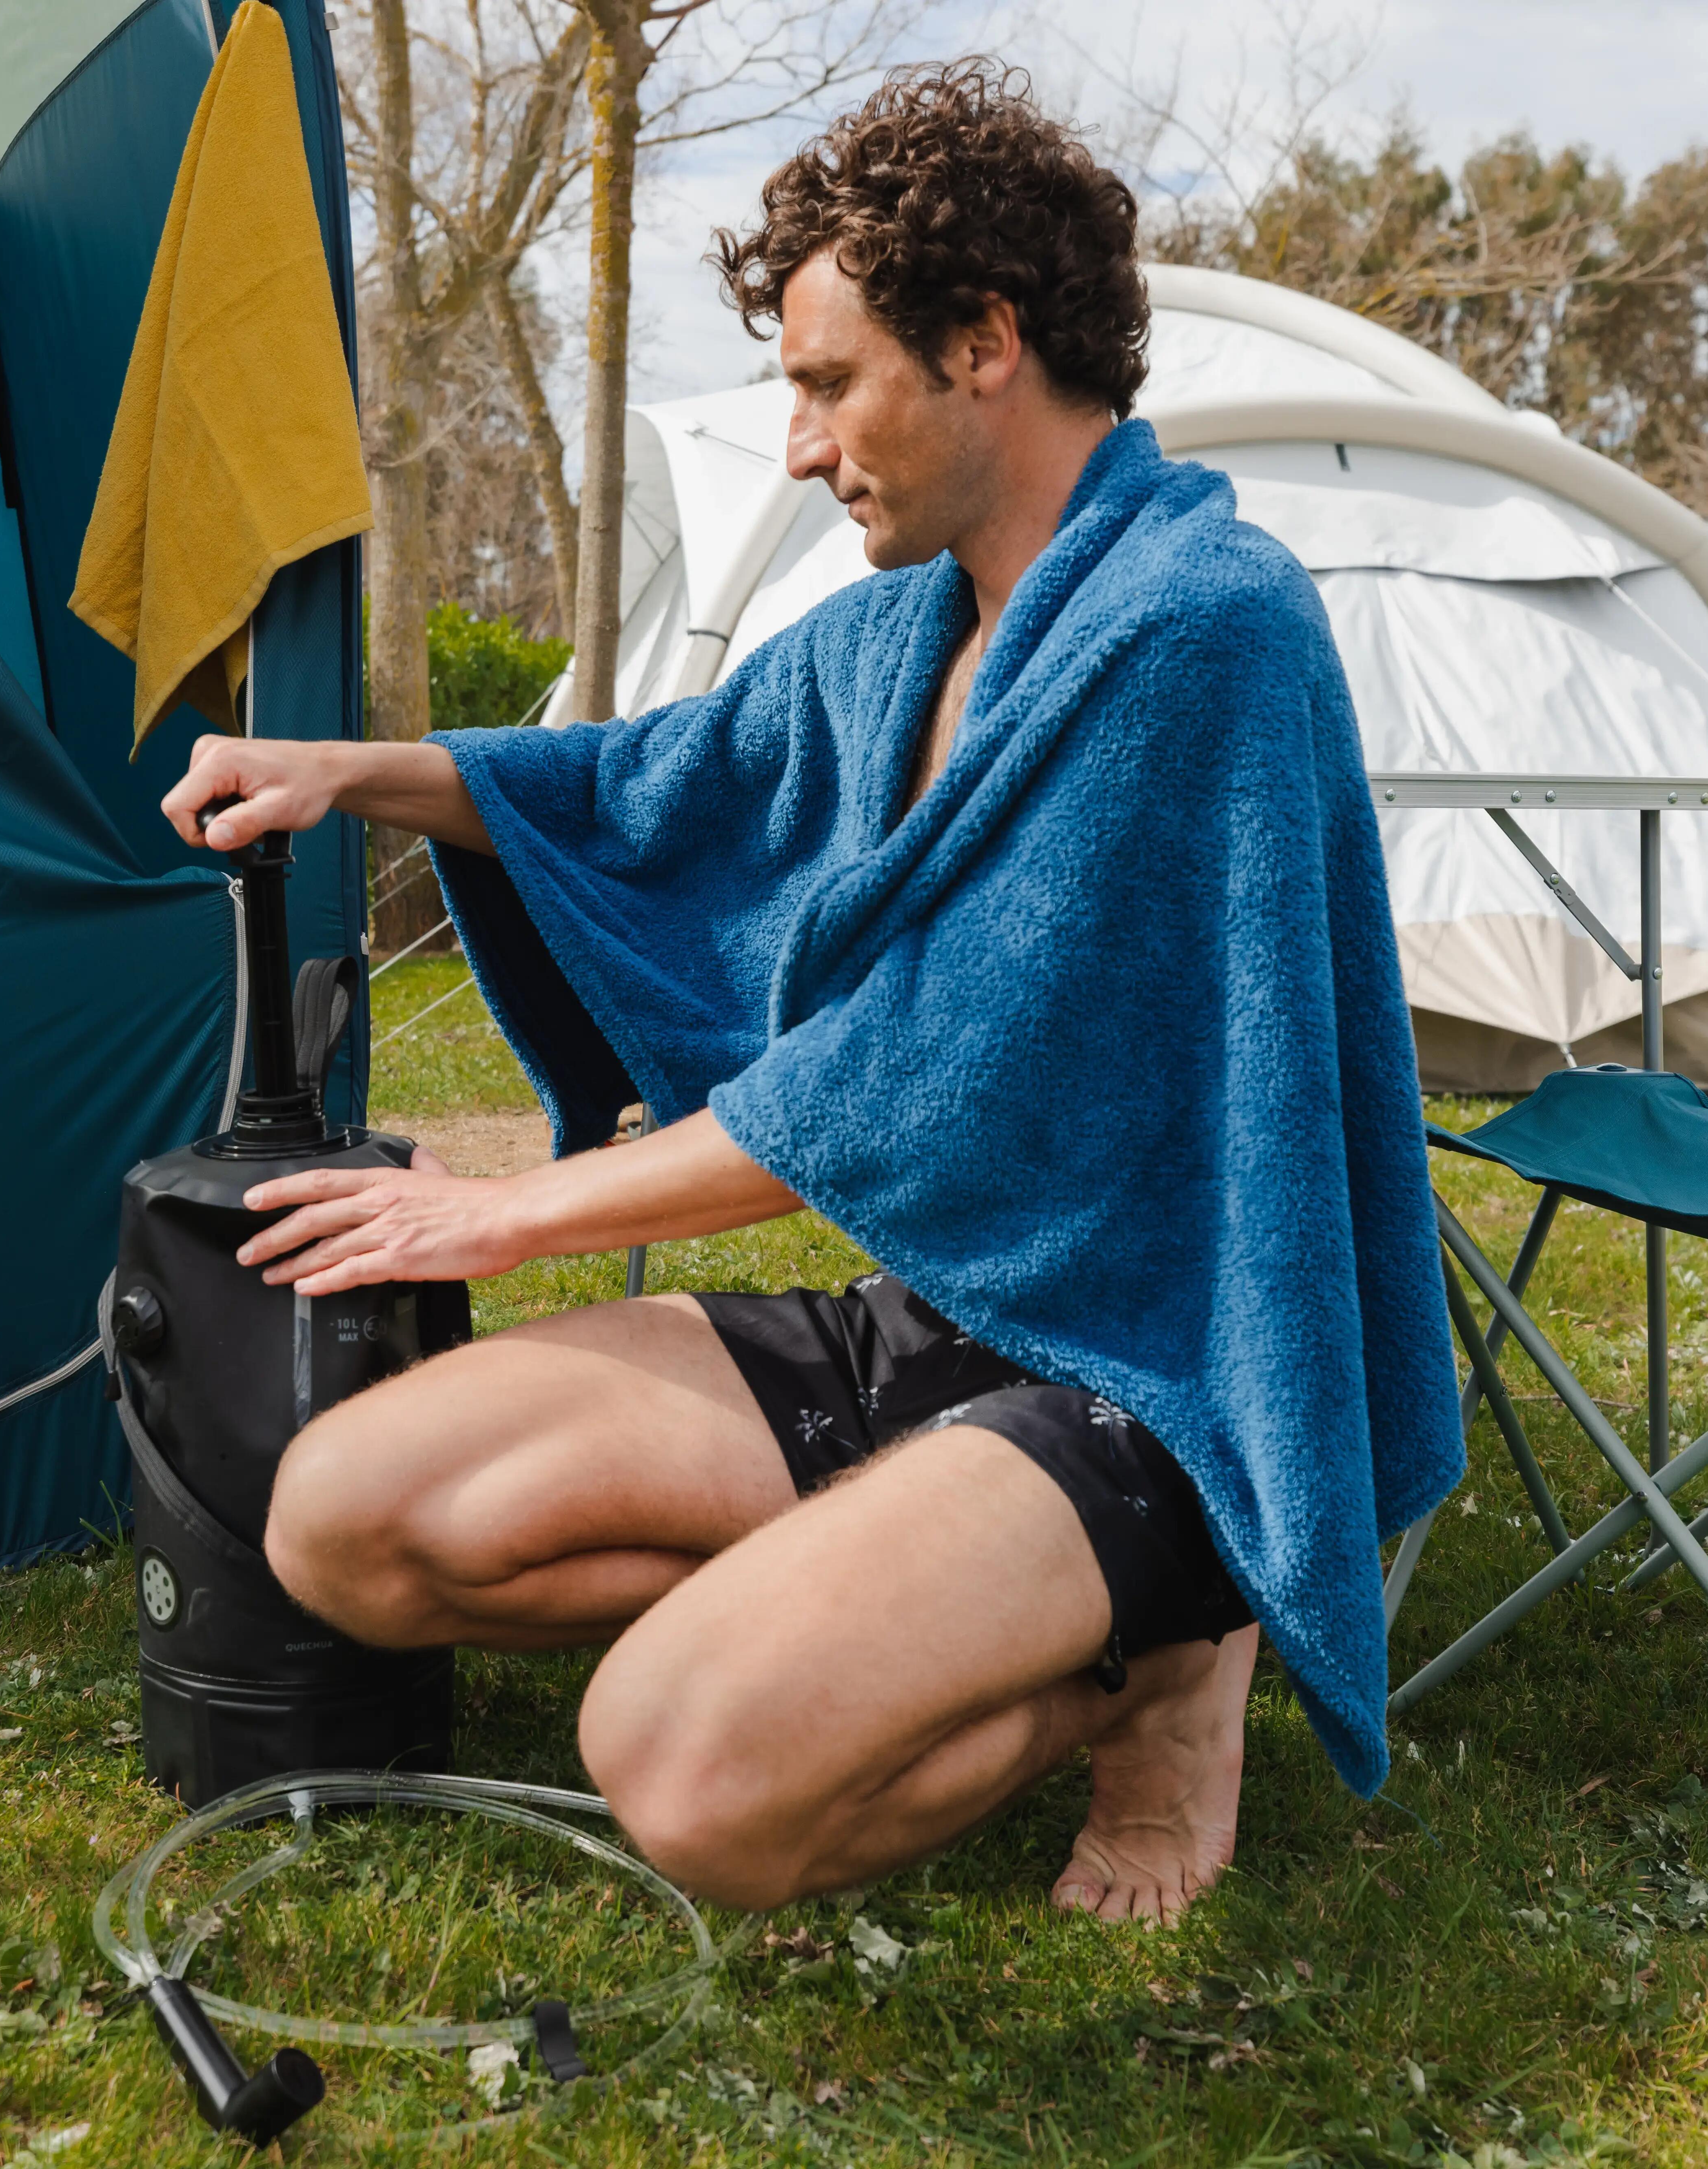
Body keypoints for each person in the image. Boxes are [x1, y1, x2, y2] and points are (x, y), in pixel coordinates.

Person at [160, 62, 1461, 1923]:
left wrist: (504, 1216)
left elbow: (917, 1084)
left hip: (1147, 1379)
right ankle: (900, 1604)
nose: (798, 443)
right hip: (937, 1332)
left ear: (987, 341)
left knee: (685, 1781)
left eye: (828, 382)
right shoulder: (905, 629)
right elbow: (644, 783)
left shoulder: (1200, 628)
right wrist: (337, 770)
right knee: (344, 1522)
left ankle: (1163, 1657)